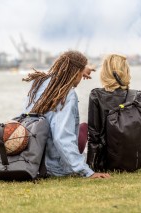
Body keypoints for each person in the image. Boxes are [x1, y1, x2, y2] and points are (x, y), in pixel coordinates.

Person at [22, 50, 110, 179]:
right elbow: (62, 137)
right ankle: (74, 163)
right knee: (84, 128)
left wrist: (81, 68)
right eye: (80, 74)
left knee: (81, 127)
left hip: (32, 160)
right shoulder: (67, 95)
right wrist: (86, 172)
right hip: (54, 167)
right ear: (76, 73)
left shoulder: (39, 83)